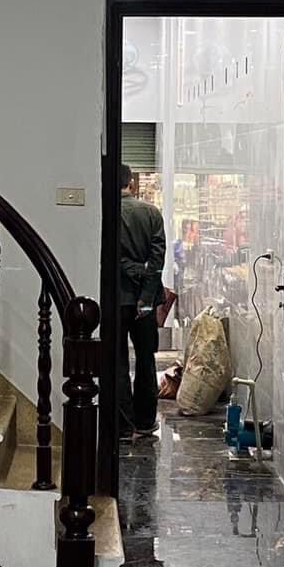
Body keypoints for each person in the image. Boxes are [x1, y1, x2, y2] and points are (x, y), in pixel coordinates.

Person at [117, 166, 166, 439]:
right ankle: (146, 421)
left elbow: (112, 257)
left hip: (119, 297)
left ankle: (124, 425)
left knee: (119, 361)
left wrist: (131, 269)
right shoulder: (152, 213)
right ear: (132, 184)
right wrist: (146, 297)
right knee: (146, 358)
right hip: (145, 301)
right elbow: (157, 261)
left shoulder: (108, 214)